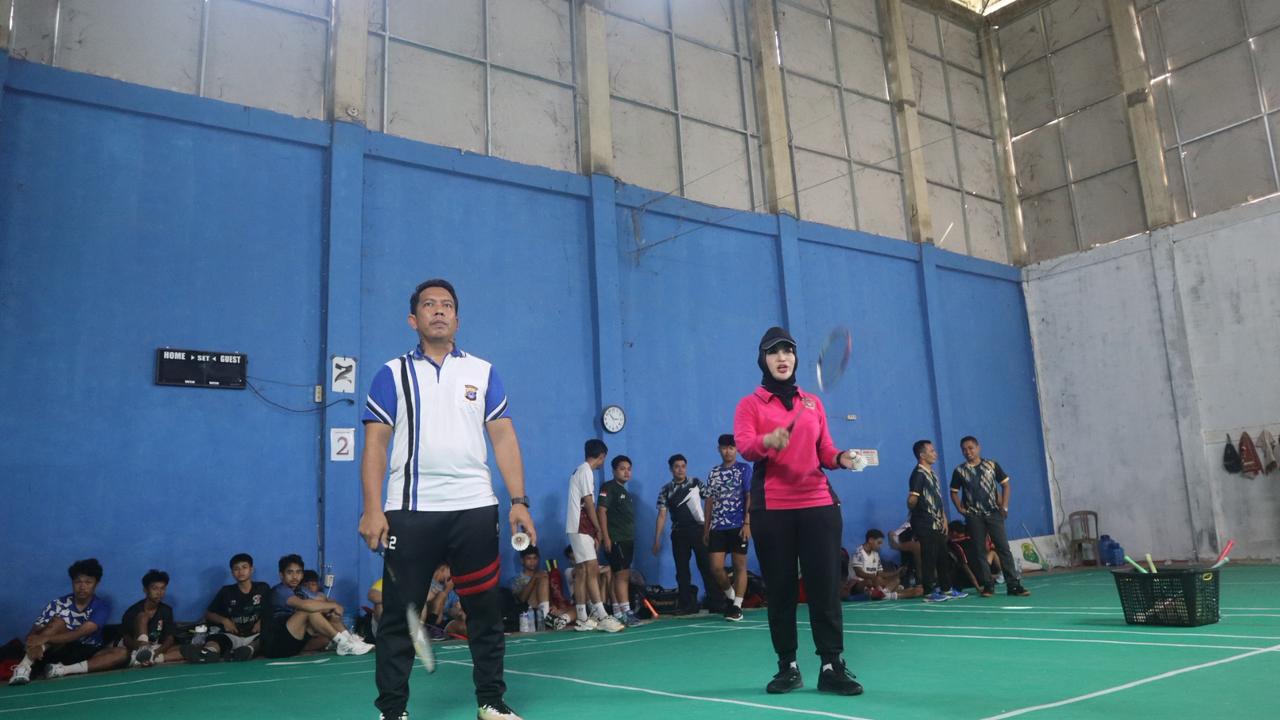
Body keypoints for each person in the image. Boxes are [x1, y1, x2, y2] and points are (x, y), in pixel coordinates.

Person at [359, 278, 536, 720]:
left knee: (484, 612)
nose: (438, 310)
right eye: (429, 304)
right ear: (413, 319)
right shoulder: (391, 374)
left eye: (447, 305)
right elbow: (375, 445)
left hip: (475, 509)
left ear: (457, 318)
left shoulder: (483, 372)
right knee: (401, 616)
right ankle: (392, 710)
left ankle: (491, 702)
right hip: (409, 513)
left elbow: (504, 438)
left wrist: (518, 500)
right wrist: (372, 508)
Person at [734, 327, 868, 696]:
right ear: (763, 359)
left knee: (824, 589)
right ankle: (787, 667)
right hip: (772, 509)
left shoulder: (812, 403)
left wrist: (842, 458)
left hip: (818, 505)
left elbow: (825, 450)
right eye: (774, 352)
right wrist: (768, 440)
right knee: (780, 591)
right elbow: (746, 446)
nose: (782, 358)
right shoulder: (750, 404)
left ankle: (831, 666)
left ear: (795, 358)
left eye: (788, 351)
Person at [8, 558, 126, 685]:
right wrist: (35, 643)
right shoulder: (57, 604)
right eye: (78, 582)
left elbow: (79, 633)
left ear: (96, 584)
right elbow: (33, 634)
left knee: (122, 653)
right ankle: (23, 668)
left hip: (87, 652)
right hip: (58, 650)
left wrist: (45, 638)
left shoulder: (101, 607)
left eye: (88, 582)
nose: (82, 587)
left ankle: (62, 670)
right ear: (72, 583)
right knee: (58, 623)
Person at [949, 436, 1031, 598]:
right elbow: (953, 492)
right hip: (974, 516)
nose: (968, 452)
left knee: (1003, 548)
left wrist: (1004, 506)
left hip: (994, 513)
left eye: (971, 448)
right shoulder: (959, 471)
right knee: (980, 550)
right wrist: (960, 509)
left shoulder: (991, 465)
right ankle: (988, 585)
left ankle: (1013, 585)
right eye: (964, 449)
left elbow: (1005, 485)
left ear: (978, 448)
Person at [262, 554, 373, 659]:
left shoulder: (301, 590)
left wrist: (335, 607)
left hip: (293, 643)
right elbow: (306, 605)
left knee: (330, 613)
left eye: (298, 572)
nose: (295, 576)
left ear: (302, 575)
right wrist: (333, 605)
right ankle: (343, 643)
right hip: (275, 645)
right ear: (281, 575)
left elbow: (323, 600)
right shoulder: (280, 591)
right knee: (308, 610)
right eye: (290, 572)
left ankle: (349, 640)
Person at [565, 439, 624, 632]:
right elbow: (589, 503)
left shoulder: (580, 470)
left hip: (578, 527)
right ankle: (602, 615)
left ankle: (582, 617)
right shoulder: (586, 471)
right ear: (602, 456)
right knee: (591, 570)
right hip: (581, 526)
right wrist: (598, 528)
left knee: (582, 571)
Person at [652, 454, 718, 615]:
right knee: (682, 570)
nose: (680, 469)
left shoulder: (695, 483)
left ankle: (716, 602)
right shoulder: (666, 490)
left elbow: (710, 499)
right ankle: (687, 605)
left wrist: (709, 528)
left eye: (683, 466)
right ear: (671, 469)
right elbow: (662, 515)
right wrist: (657, 539)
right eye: (676, 466)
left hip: (699, 531)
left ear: (686, 467)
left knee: (707, 567)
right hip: (679, 533)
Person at [185, 552, 271, 664]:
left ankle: (247, 651)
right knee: (216, 639)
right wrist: (224, 620)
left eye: (244, 567)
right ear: (232, 573)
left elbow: (273, 609)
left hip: (255, 635)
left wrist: (262, 621)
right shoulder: (226, 591)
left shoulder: (263, 588)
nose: (240, 571)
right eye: (236, 569)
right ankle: (208, 653)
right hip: (233, 636)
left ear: (251, 569)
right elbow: (208, 614)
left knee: (266, 637)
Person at [908, 440, 966, 603]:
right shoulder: (918, 474)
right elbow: (912, 499)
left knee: (942, 556)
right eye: (932, 451)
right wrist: (912, 507)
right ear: (922, 455)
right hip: (924, 522)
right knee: (929, 557)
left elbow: (937, 499)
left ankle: (946, 588)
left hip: (937, 522)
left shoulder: (932, 474)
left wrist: (944, 518)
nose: (935, 454)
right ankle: (928, 592)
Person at [703, 434, 752, 621]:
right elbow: (709, 501)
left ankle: (737, 606)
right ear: (719, 449)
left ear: (736, 449)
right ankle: (731, 596)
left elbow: (749, 496)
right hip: (717, 526)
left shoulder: (744, 469)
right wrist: (706, 528)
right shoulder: (714, 472)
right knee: (716, 567)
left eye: (731, 447)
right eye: (724, 448)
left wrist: (747, 522)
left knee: (740, 566)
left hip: (738, 525)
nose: (728, 451)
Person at [598, 455, 641, 626]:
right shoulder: (608, 487)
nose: (626, 472)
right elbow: (601, 511)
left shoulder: (625, 492)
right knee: (622, 574)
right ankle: (627, 612)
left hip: (627, 539)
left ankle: (618, 612)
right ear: (614, 470)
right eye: (622, 469)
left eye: (629, 469)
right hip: (616, 539)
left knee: (619, 575)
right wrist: (606, 537)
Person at [120, 569, 184, 667]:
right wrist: (141, 647)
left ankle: (149, 658)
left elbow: (170, 638)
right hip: (135, 647)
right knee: (142, 616)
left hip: (154, 648)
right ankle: (142, 653)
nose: (159, 592)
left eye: (163, 588)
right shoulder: (133, 611)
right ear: (145, 590)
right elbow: (126, 639)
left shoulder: (166, 610)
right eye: (155, 589)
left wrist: (155, 653)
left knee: (184, 649)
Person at [511, 546, 575, 630]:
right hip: (529, 614)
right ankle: (545, 617)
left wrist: (552, 606)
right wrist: (534, 578)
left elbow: (547, 596)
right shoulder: (517, 579)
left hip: (545, 609)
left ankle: (560, 620)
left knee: (575, 609)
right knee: (543, 578)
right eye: (529, 558)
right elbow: (521, 600)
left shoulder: (543, 574)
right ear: (522, 560)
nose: (532, 561)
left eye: (535, 558)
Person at [845, 530, 921, 600]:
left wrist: (897, 572)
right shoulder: (858, 552)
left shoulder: (875, 554)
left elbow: (880, 573)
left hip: (874, 583)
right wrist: (875, 577)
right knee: (871, 581)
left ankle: (884, 594)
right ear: (870, 540)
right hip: (858, 584)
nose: (880, 546)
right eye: (879, 543)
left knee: (896, 580)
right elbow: (859, 573)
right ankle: (888, 593)